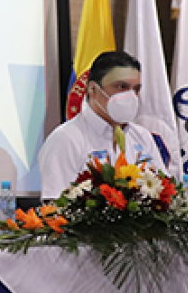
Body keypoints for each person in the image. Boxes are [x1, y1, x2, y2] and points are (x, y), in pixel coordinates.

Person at [39, 50, 162, 199]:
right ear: (92, 89)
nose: (131, 96)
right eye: (121, 87)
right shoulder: (66, 139)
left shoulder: (142, 136)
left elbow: (162, 190)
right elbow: (55, 205)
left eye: (136, 89)